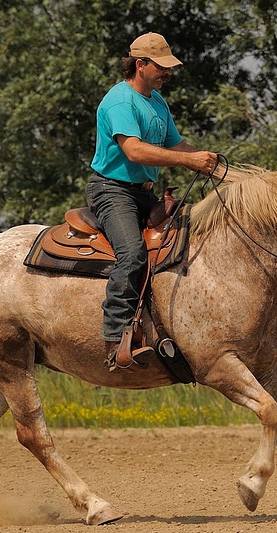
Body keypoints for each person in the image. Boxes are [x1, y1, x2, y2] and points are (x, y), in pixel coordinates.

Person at [85, 32, 218, 369]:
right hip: (112, 191)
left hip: (144, 193)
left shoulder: (157, 101)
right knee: (131, 253)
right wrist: (189, 162)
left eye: (169, 68)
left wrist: (220, 169)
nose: (167, 73)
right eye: (162, 67)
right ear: (140, 65)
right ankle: (115, 341)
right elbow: (133, 149)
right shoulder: (120, 101)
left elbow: (177, 146)